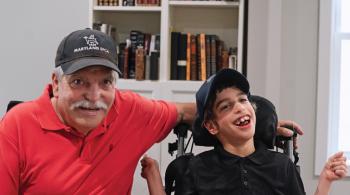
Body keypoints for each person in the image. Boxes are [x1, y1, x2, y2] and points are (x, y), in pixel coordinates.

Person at [0, 28, 302, 194]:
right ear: (56, 82)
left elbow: (188, 111)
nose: (94, 97)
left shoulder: (131, 110)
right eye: (79, 82)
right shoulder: (18, 125)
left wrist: (261, 120)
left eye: (105, 82)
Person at [140, 68, 347, 195]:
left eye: (243, 99)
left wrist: (326, 181)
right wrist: (153, 176)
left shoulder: (281, 166)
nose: (239, 107)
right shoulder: (197, 168)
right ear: (212, 126)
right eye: (226, 107)